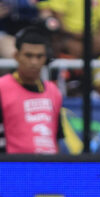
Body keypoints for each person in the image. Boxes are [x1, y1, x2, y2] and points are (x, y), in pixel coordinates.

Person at [0, 26, 63, 154]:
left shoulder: (53, 91)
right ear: (16, 56)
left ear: (45, 58)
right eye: (28, 55)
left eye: (39, 56)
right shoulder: (2, 87)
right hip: (14, 167)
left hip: (48, 166)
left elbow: (56, 137)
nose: (34, 62)